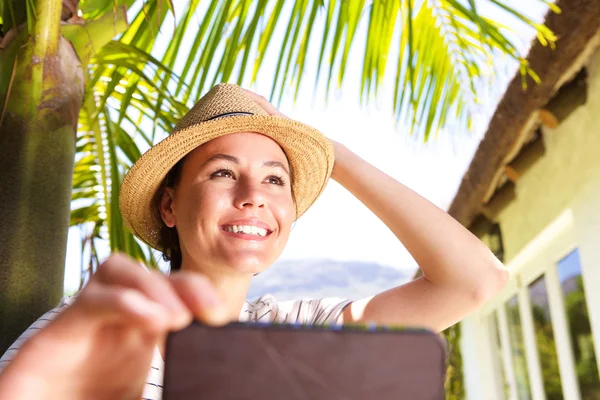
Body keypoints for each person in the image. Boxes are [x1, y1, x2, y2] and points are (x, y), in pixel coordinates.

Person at [0, 83, 508, 399]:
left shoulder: (301, 333)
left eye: (274, 179)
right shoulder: (95, 333)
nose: (253, 197)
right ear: (170, 205)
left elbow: (475, 281)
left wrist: (332, 155)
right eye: (223, 173)